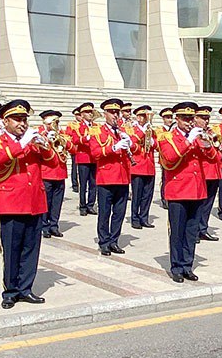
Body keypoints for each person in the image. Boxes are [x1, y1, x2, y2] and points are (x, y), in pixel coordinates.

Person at [0, 100, 50, 309]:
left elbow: (54, 162)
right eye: (18, 119)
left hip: (34, 201)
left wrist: (44, 146)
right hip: (10, 202)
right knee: (11, 249)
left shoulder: (31, 140)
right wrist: (23, 143)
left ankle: (26, 288)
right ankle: (10, 291)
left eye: (24, 119)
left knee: (31, 248)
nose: (22, 123)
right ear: (6, 121)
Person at [157, 102, 206, 282]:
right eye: (185, 119)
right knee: (177, 231)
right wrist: (188, 140)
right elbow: (170, 157)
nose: (189, 122)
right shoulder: (166, 136)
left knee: (191, 231)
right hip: (178, 191)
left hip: (196, 190)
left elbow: (213, 159)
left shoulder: (197, 136)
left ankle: (187, 265)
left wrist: (207, 145)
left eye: (191, 118)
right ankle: (176, 267)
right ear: (176, 119)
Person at [88, 98, 135, 255]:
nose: (115, 115)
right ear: (105, 114)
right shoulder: (97, 130)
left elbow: (134, 148)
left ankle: (114, 240)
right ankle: (104, 242)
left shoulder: (123, 130)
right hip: (106, 177)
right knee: (105, 212)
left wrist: (130, 143)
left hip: (122, 177)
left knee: (119, 213)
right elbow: (94, 153)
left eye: (117, 112)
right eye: (112, 112)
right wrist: (113, 147)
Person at [38, 110, 71, 239]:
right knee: (46, 201)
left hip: (60, 173)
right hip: (46, 172)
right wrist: (46, 139)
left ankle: (54, 225)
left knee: (57, 202)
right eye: (53, 121)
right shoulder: (39, 133)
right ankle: (44, 226)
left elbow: (73, 148)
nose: (55, 124)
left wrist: (61, 140)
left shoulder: (62, 133)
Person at [193, 106, 222, 241]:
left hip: (214, 172)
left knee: (208, 204)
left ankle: (203, 229)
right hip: (203, 171)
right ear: (195, 119)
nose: (206, 121)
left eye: (208, 118)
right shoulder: (195, 133)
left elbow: (218, 148)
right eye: (203, 118)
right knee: (199, 204)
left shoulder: (211, 131)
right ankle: (194, 231)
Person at [126, 105, 157, 230]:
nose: (146, 118)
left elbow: (156, 145)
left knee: (147, 195)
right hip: (138, 166)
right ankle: (135, 218)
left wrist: (151, 138)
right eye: (144, 116)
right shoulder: (132, 129)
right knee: (137, 195)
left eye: (147, 116)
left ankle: (144, 217)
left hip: (149, 166)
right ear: (138, 117)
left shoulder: (151, 130)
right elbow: (132, 144)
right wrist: (142, 132)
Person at [67, 103, 98, 216]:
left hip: (94, 158)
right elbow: (75, 140)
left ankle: (91, 205)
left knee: (93, 183)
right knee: (83, 184)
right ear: (82, 114)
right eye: (87, 112)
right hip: (83, 157)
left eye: (91, 112)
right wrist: (86, 138)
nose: (90, 114)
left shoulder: (96, 126)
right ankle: (82, 206)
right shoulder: (77, 126)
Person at [158, 107, 174, 209]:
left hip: (175, 157)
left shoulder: (173, 128)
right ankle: (164, 198)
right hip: (164, 158)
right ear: (163, 119)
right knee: (164, 178)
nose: (170, 120)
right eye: (167, 118)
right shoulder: (159, 129)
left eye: (171, 117)